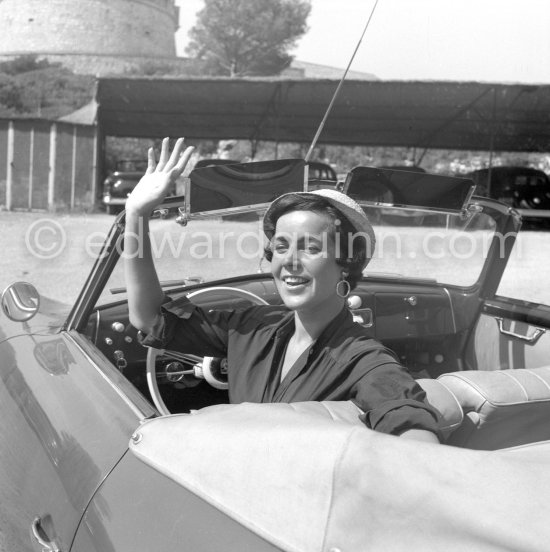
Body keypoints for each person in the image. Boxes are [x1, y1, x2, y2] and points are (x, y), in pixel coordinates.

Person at [125, 138, 440, 443]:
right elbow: (150, 319)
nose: (289, 262)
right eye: (280, 247)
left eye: (310, 247)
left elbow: (413, 433)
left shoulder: (363, 360)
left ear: (345, 263)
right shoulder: (252, 327)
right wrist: (136, 215)